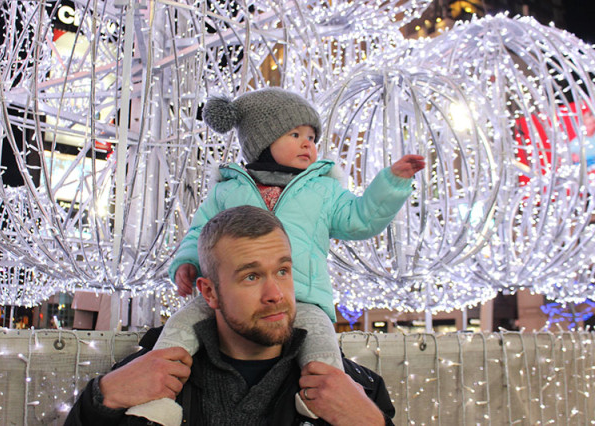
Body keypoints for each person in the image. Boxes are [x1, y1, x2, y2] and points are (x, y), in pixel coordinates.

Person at [133, 87, 424, 423]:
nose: (307, 144)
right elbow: (200, 232)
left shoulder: (323, 189)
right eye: (295, 134)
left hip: (305, 298)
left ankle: (322, 400)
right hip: (228, 297)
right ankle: (156, 395)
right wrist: (186, 263)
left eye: (312, 137)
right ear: (262, 140)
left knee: (322, 346)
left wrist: (391, 183)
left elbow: (360, 219)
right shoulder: (229, 189)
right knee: (181, 326)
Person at [64, 206, 395, 425]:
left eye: (283, 270)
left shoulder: (357, 389)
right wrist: (100, 400)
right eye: (251, 276)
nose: (276, 294)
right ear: (208, 292)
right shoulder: (146, 375)